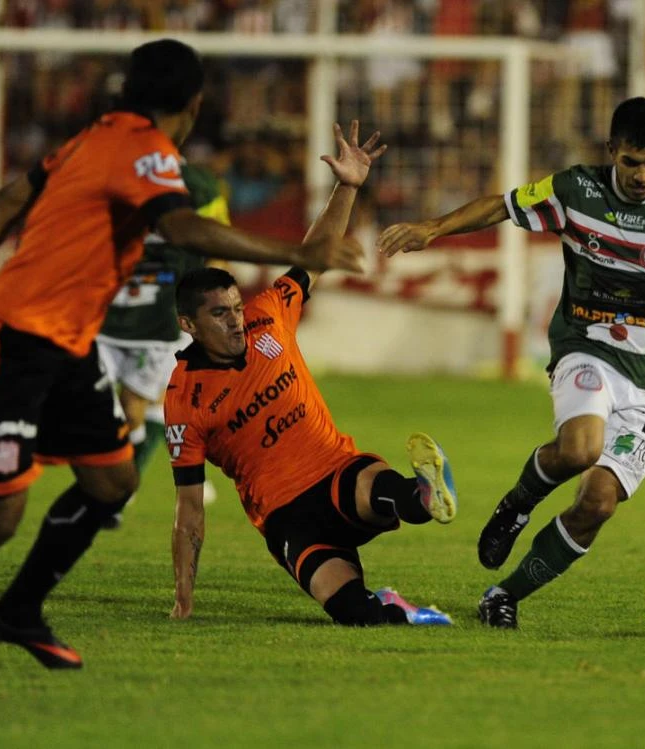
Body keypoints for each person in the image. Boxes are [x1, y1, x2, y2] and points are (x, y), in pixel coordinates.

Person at [0, 39, 363, 672]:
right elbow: (182, 228)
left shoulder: (94, 139)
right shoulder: (145, 151)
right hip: (15, 340)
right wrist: (296, 253)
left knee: (113, 481)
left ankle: (18, 611)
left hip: (68, 347)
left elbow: (5, 202)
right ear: (193, 105)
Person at [377, 97, 645, 628]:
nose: (642, 175)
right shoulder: (577, 189)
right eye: (631, 162)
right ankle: (517, 505)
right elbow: (500, 205)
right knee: (581, 449)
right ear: (611, 149)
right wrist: (431, 229)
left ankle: (504, 595)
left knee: (597, 503)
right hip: (585, 343)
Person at [167, 121, 457, 627]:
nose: (236, 320)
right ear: (187, 325)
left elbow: (315, 254)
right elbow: (190, 509)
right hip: (285, 517)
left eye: (235, 308)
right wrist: (183, 598)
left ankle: (424, 491)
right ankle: (398, 608)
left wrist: (348, 186)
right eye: (219, 315)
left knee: (385, 497)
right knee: (353, 614)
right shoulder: (183, 400)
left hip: (334, 470)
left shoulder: (268, 315)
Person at [96, 162, 230, 530]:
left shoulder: (199, 185)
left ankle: (122, 493)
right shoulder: (114, 175)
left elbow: (217, 243)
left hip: (168, 312)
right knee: (124, 406)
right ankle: (184, 471)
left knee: (136, 403)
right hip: (116, 305)